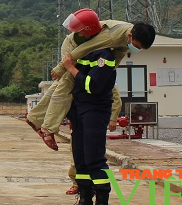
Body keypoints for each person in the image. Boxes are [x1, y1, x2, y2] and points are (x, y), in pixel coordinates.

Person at [27, 9, 156, 150]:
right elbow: (85, 48)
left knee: (60, 85)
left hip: (87, 51)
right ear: (130, 36)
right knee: (66, 83)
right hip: (75, 48)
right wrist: (61, 67)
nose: (136, 49)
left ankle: (35, 117)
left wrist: (107, 74)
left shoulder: (127, 37)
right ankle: (48, 129)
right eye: (136, 46)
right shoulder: (113, 36)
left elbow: (119, 54)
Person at [60, 49, 117, 205]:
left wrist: (71, 68)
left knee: (94, 158)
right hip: (80, 110)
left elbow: (93, 85)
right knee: (80, 158)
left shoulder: (105, 56)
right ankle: (85, 200)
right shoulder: (82, 53)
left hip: (95, 110)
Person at [65, 84, 121, 194]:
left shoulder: (102, 77)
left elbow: (116, 100)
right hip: (78, 125)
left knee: (93, 157)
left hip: (94, 123)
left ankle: (97, 191)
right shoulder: (74, 79)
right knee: (76, 157)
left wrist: (113, 118)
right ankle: (79, 186)